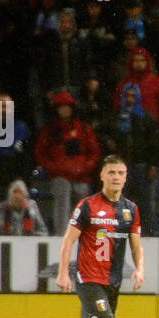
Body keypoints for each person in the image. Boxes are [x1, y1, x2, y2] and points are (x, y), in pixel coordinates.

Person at [56, 156, 144, 318]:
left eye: (121, 172)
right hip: (88, 278)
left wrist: (140, 269)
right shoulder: (87, 206)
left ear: (126, 177)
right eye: (111, 172)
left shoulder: (131, 209)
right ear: (102, 176)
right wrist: (63, 273)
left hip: (113, 281)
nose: (116, 177)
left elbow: (136, 244)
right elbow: (68, 241)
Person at [35, 91, 100, 232]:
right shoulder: (49, 130)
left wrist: (84, 167)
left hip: (81, 176)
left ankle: (83, 233)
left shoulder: (84, 129)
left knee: (82, 194)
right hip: (59, 176)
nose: (64, 110)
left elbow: (94, 154)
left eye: (67, 107)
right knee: (62, 191)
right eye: (61, 107)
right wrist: (54, 168)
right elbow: (40, 154)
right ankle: (61, 234)